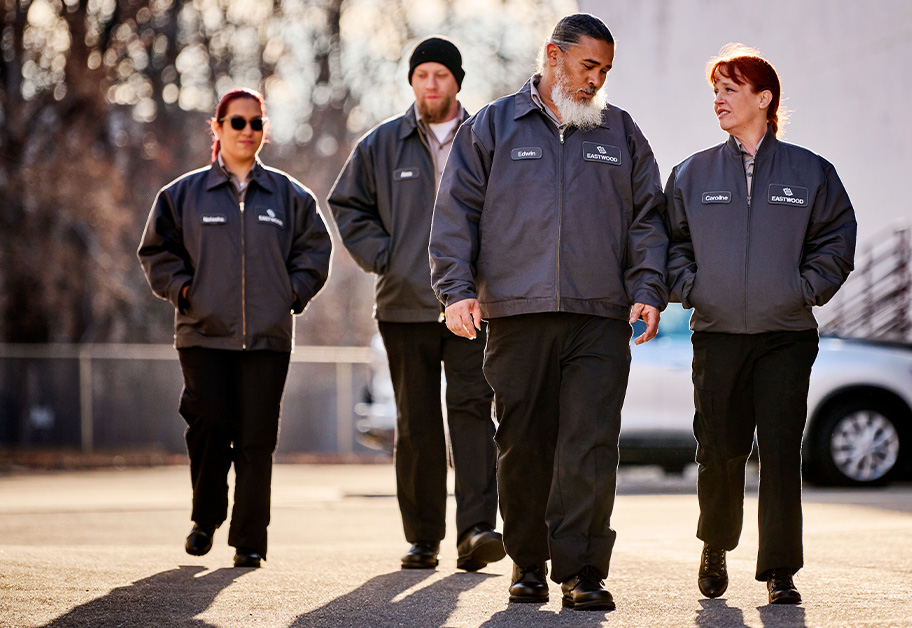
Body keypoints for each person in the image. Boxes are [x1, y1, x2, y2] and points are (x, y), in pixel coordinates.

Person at [429, 13, 667, 611]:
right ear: (553, 56)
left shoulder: (620, 132)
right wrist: (456, 291)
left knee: (590, 444)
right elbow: (455, 214)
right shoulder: (492, 126)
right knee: (524, 445)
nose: (596, 80)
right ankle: (529, 563)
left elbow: (647, 219)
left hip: (599, 315)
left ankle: (583, 571)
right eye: (588, 66)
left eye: (605, 70)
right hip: (517, 313)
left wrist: (648, 286)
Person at [663, 44, 856, 604]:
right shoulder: (692, 173)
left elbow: (835, 240)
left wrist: (803, 290)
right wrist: (693, 289)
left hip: (785, 336)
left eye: (729, 89)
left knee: (780, 452)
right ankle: (715, 545)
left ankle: (780, 569)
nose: (718, 100)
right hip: (718, 334)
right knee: (718, 449)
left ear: (764, 98)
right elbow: (669, 243)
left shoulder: (810, 172)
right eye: (715, 91)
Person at [327, 36, 503, 572]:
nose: (431, 84)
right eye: (422, 74)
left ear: (457, 82)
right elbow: (347, 205)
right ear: (411, 81)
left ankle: (476, 531)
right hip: (404, 305)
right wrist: (388, 258)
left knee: (473, 415)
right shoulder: (381, 144)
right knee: (417, 423)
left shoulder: (486, 138)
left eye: (441, 75)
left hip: (472, 304)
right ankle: (423, 538)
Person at [138, 88, 333, 568]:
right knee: (209, 423)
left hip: (267, 338)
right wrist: (185, 291)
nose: (248, 131)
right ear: (218, 127)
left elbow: (316, 251)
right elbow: (157, 252)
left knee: (256, 438)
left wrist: (290, 295)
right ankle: (205, 518)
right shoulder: (181, 195)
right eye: (238, 122)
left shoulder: (290, 196)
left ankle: (249, 540)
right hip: (202, 334)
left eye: (256, 123)